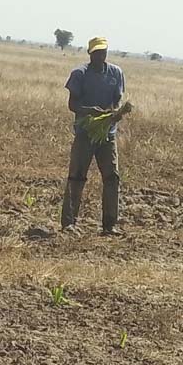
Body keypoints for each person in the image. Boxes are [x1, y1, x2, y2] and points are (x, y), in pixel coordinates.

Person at [61, 36, 125, 235]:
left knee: (112, 177)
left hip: (108, 135)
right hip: (85, 133)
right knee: (77, 177)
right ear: (90, 54)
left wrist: (114, 115)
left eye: (103, 51)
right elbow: (73, 105)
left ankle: (109, 225)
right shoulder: (79, 74)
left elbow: (117, 100)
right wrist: (91, 112)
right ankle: (69, 223)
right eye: (96, 52)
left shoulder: (116, 73)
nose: (100, 55)